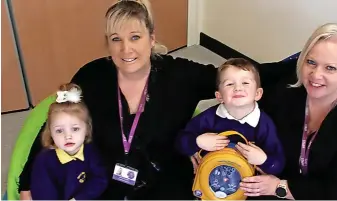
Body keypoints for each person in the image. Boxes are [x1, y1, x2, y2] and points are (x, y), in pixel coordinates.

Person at [16, 0, 297, 200]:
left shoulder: (179, 75)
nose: (126, 49)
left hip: (166, 176)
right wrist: (26, 184)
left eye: (135, 37)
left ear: (151, 39)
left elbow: (237, 77)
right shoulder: (93, 76)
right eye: (116, 39)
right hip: (105, 176)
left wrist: (297, 65)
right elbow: (53, 126)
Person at [240, 23, 337, 199]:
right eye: (311, 62)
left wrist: (278, 187)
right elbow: (246, 117)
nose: (316, 75)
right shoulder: (288, 90)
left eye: (330, 68)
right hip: (279, 182)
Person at [176, 58, 285, 176]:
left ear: (258, 93)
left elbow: (278, 164)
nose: (238, 88)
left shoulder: (264, 124)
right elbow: (180, 142)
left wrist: (263, 160)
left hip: (247, 184)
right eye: (230, 84)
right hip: (209, 178)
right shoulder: (208, 118)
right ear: (219, 96)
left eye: (245, 83)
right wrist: (197, 142)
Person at [30, 83, 108, 200]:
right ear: (50, 132)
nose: (68, 136)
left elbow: (100, 179)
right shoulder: (44, 161)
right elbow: (43, 194)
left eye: (75, 129)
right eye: (59, 131)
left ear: (87, 129)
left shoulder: (90, 151)